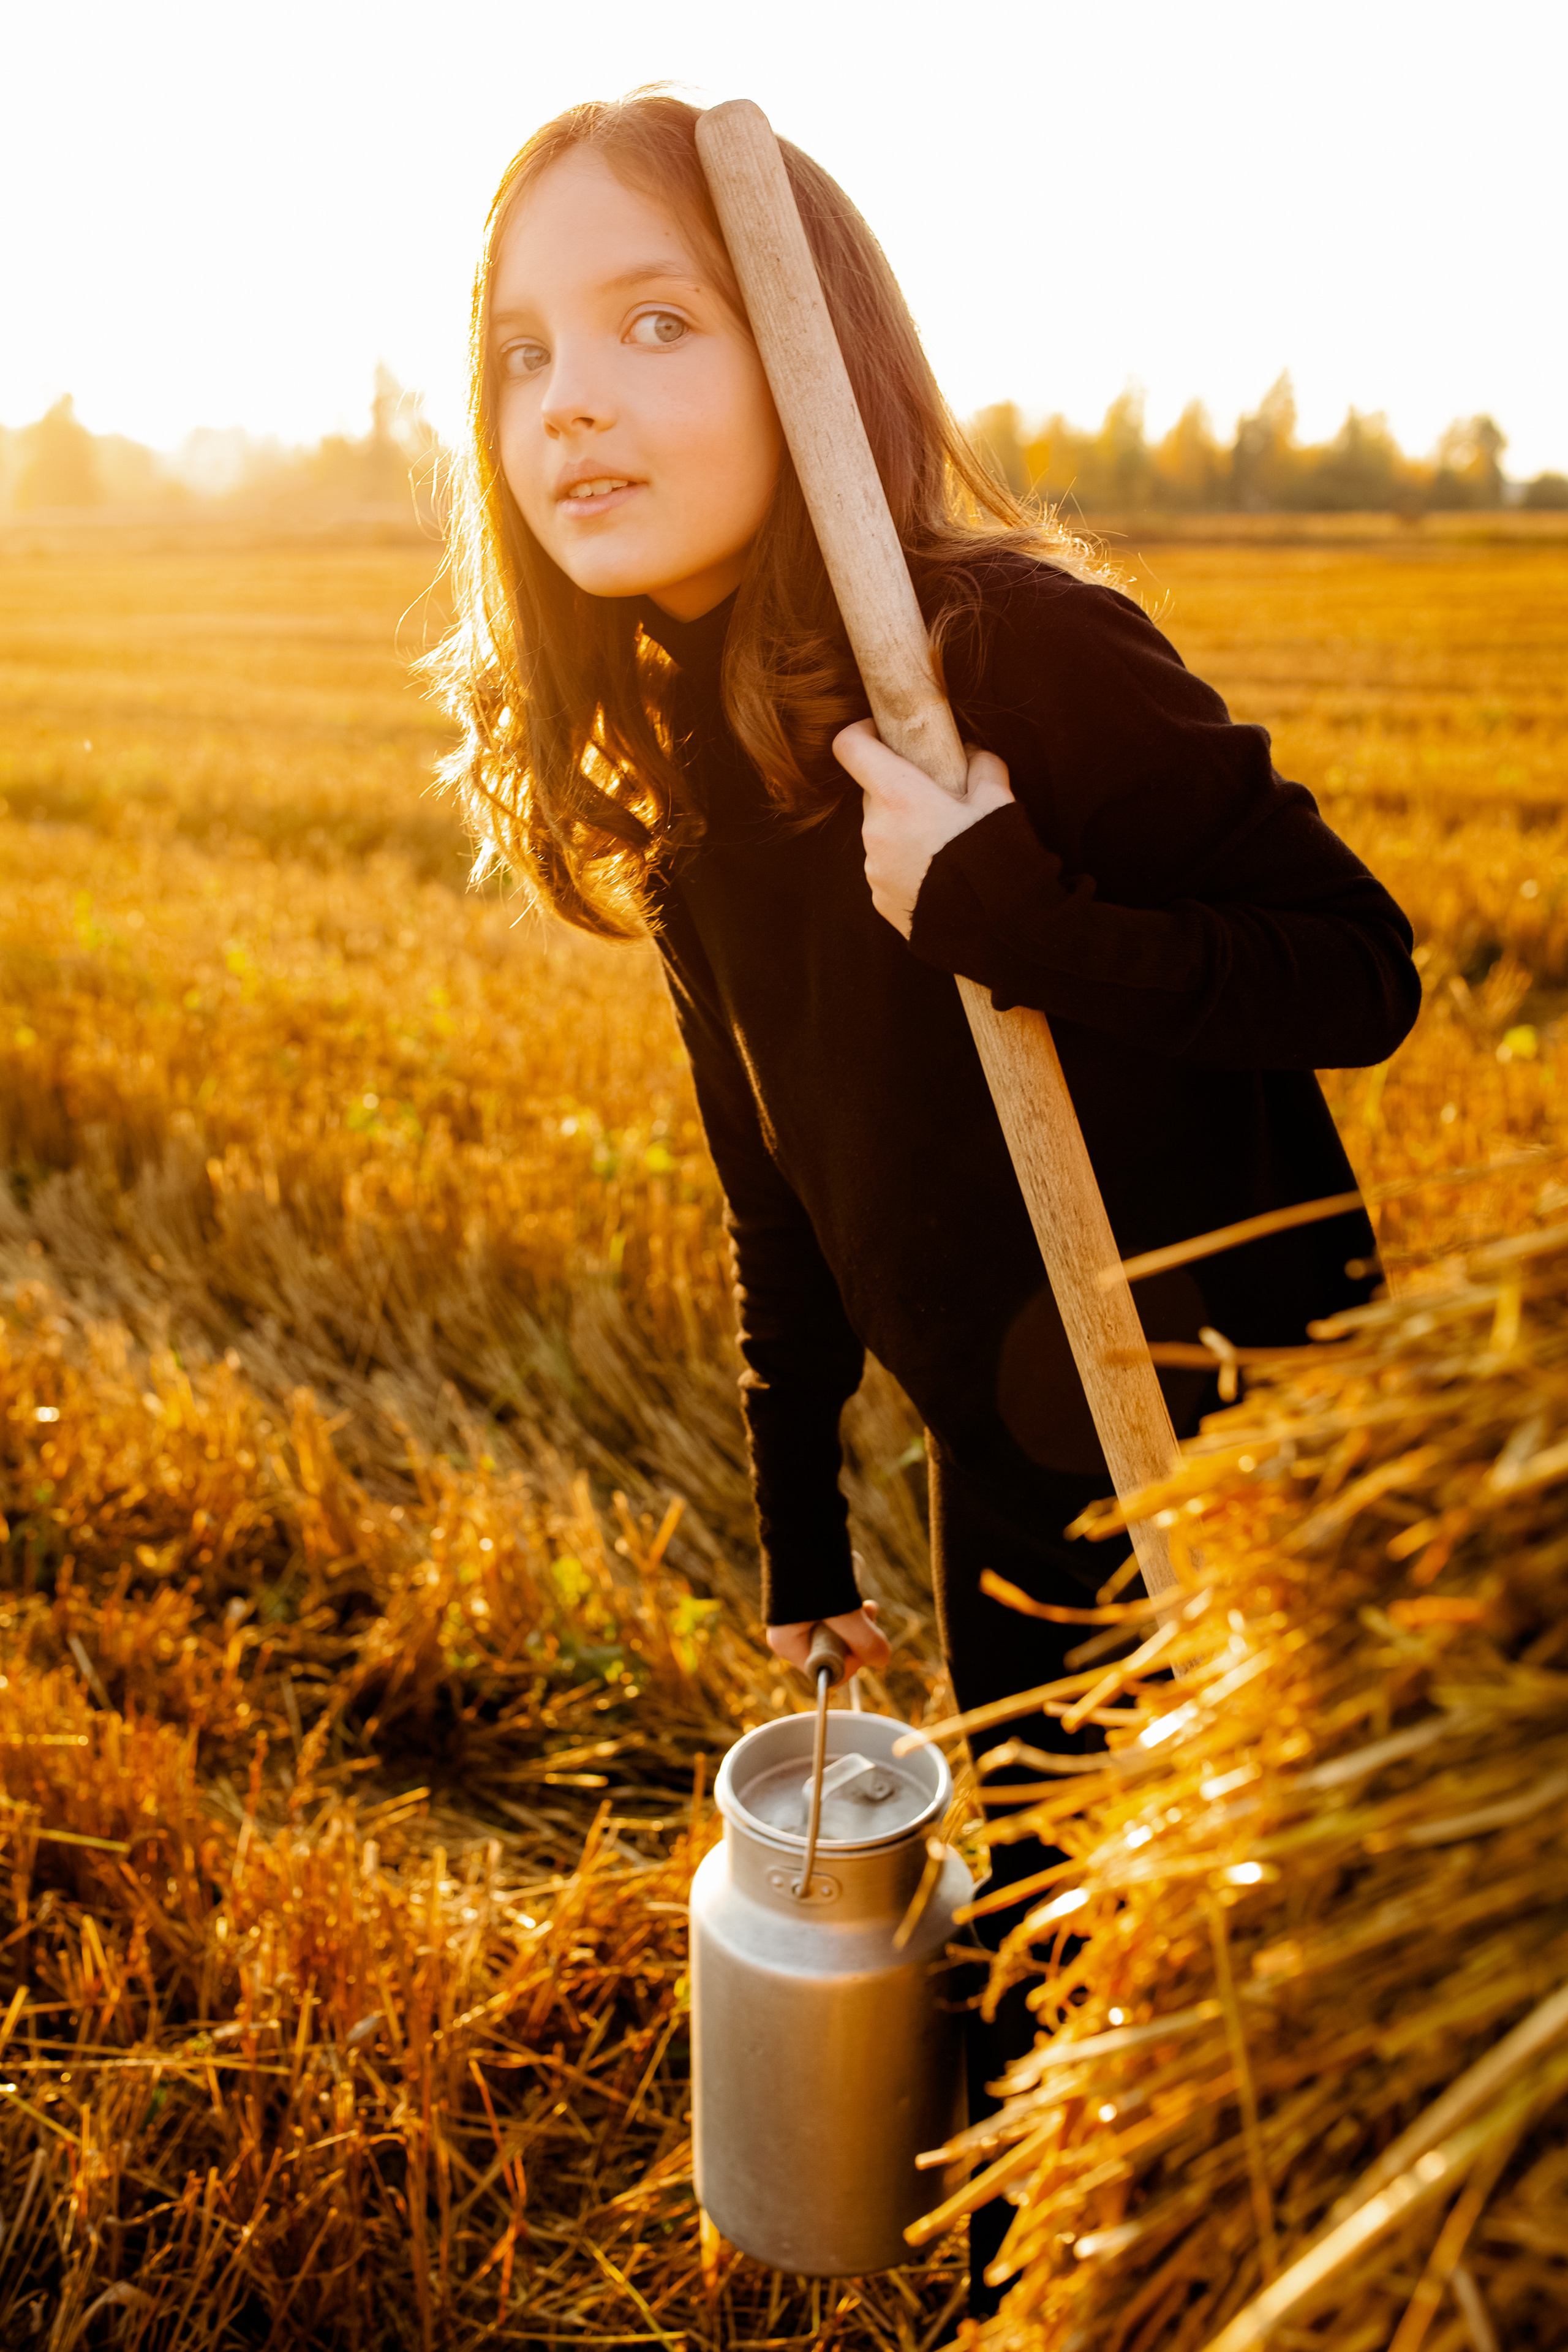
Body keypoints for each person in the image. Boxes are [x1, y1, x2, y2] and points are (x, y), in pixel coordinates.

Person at [424, 89, 1422, 2314]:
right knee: (1073, 1917)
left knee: (1285, 1966)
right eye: (517, 352)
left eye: (651, 322)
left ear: (811, 352)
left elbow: (1361, 970)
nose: (568, 396)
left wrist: (1013, 905)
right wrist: (800, 1522)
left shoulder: (1017, 655)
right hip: (1013, 1460)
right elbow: (770, 1182)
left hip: (1245, 1445)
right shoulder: (679, 757)